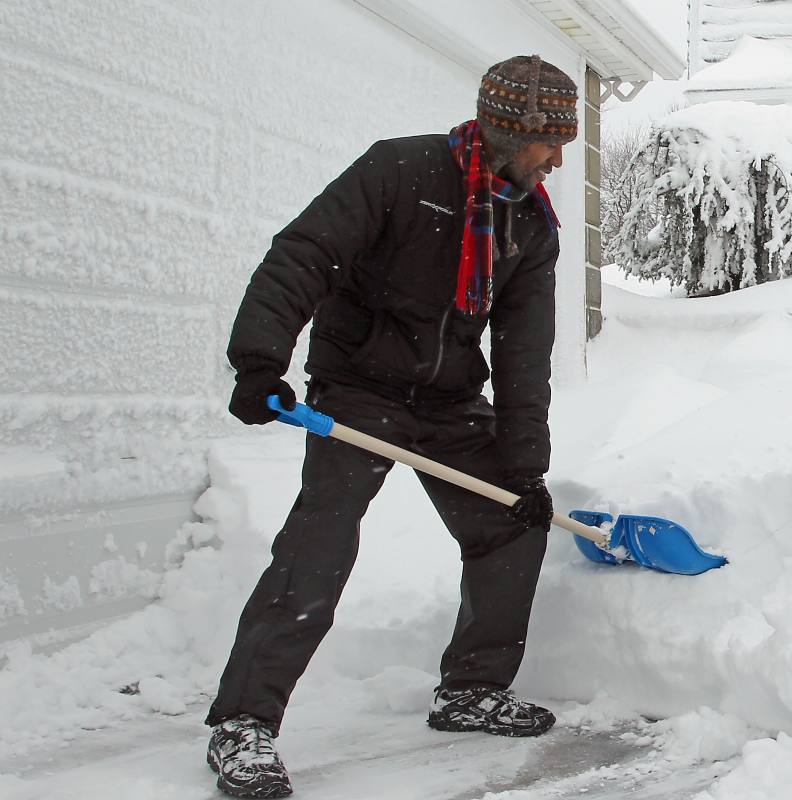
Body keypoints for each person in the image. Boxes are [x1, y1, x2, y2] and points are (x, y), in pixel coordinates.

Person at [202, 54, 579, 799]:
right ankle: (243, 724)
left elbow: (524, 350)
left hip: (448, 400)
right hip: (359, 388)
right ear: (509, 131)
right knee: (320, 541)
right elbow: (304, 255)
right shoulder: (400, 171)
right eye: (549, 142)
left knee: (511, 521)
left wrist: (524, 464)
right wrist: (259, 360)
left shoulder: (531, 225)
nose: (558, 160)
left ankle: (472, 688)